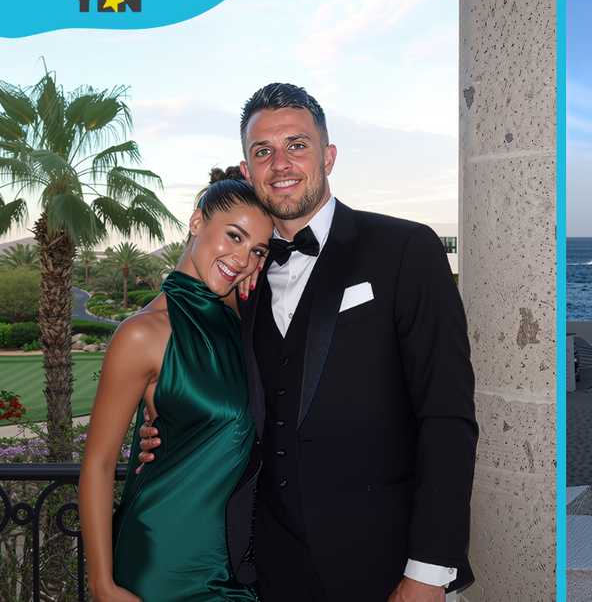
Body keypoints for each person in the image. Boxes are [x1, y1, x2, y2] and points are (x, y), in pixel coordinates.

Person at [137, 83, 478, 601]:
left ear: (329, 155)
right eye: (263, 151)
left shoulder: (404, 248)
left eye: (297, 144)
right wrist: (165, 433)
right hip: (262, 567)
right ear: (247, 169)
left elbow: (447, 416)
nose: (281, 164)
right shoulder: (238, 276)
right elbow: (188, 364)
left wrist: (428, 571)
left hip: (383, 565)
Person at [79, 170, 274, 601]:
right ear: (197, 221)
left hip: (240, 561)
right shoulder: (142, 334)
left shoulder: (249, 325)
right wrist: (103, 585)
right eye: (234, 236)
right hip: (164, 561)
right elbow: (98, 464)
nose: (243, 259)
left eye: (257, 249)